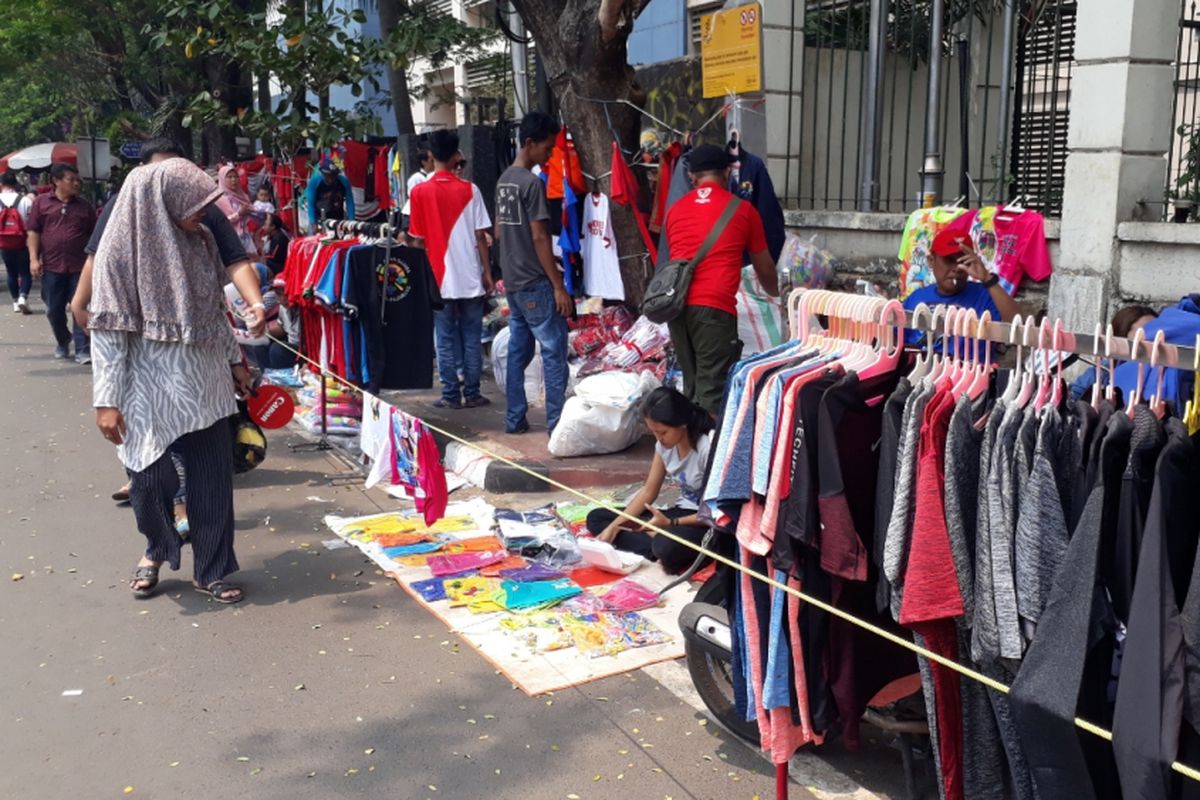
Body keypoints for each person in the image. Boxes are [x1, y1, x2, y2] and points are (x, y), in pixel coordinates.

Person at [90, 158, 267, 605]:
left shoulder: (202, 241)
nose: (203, 214)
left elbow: (213, 313)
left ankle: (212, 569)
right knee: (150, 481)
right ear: (163, 202)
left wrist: (234, 362)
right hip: (147, 387)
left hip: (205, 383)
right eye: (195, 206)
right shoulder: (119, 251)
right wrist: (106, 400)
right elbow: (108, 331)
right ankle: (156, 545)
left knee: (211, 483)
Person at [663, 144, 779, 416]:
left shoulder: (675, 210)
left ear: (692, 177)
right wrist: (777, 296)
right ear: (727, 173)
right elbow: (764, 269)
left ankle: (688, 454)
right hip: (714, 310)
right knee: (712, 394)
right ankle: (710, 456)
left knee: (690, 388)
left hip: (675, 307)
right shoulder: (744, 211)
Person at [495, 111, 573, 435]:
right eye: (547, 148)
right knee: (554, 351)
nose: (550, 154)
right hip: (534, 282)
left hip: (513, 281)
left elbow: (500, 233)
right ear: (530, 144)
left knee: (519, 351)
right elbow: (540, 235)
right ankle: (556, 426)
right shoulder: (530, 183)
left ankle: (515, 419)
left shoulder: (504, 181)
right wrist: (558, 285)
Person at [408, 129, 494, 410]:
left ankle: (450, 395)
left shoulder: (419, 192)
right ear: (456, 155)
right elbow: (481, 236)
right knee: (471, 335)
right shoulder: (471, 190)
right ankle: (472, 393)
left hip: (437, 278)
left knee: (443, 338)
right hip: (470, 275)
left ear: (431, 156)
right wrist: (488, 273)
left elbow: (418, 240)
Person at [585, 387, 714, 574]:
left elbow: (715, 514)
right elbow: (648, 492)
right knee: (598, 518)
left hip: (701, 523)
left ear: (682, 423)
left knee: (666, 546)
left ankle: (657, 544)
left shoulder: (706, 447)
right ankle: (652, 541)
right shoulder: (664, 446)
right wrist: (616, 526)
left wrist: (671, 525)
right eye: (654, 433)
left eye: (663, 432)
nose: (659, 439)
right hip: (674, 516)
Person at [27, 162, 95, 363]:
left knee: (79, 307)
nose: (76, 183)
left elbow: (94, 235)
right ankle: (63, 339)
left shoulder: (85, 207)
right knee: (53, 310)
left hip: (79, 268)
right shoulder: (41, 203)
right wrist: (33, 259)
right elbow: (33, 231)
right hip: (52, 267)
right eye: (71, 179)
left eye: (77, 180)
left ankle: (83, 349)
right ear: (56, 181)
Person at [902, 226, 1022, 336]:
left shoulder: (984, 295)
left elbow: (1020, 328)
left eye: (963, 261)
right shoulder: (917, 297)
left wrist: (987, 278)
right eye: (949, 260)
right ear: (931, 261)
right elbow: (894, 336)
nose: (957, 268)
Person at [1070, 304, 1158, 401]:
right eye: (1141, 337)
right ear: (1121, 338)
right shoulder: (1102, 372)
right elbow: (1072, 398)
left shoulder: (1165, 372)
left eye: (1155, 335)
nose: (1151, 343)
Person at [0, 171, 33, 314]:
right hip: (22, 242)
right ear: (15, 184)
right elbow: (32, 222)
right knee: (25, 273)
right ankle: (23, 297)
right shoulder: (25, 200)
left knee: (11, 273)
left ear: (1, 184)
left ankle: (14, 301)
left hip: (4, 243)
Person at [216, 165, 257, 256]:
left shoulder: (243, 196)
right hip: (231, 239)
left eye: (235, 176)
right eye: (229, 177)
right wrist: (239, 214)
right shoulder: (219, 200)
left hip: (247, 236)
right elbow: (221, 222)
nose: (233, 180)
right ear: (222, 178)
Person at [306, 163, 355, 232]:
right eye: (327, 176)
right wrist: (313, 222)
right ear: (322, 174)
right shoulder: (314, 182)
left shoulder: (344, 181)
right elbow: (310, 204)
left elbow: (350, 202)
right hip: (319, 217)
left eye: (333, 176)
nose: (330, 179)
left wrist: (351, 221)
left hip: (337, 217)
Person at [401, 146, 435, 219]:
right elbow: (413, 197)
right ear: (424, 162)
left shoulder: (433, 176)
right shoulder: (416, 178)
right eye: (431, 160)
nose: (434, 163)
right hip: (413, 214)